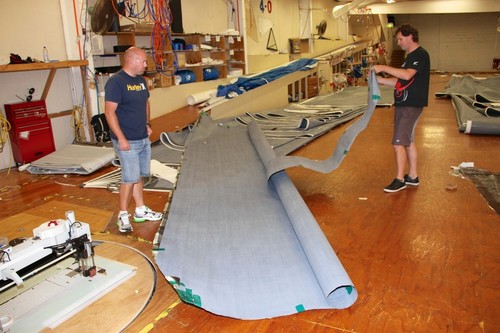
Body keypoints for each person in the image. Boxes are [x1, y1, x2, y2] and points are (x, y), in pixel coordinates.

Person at [104, 46, 163, 232]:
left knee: (138, 176)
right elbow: (109, 112)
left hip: (141, 136)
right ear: (132, 60)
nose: (146, 64)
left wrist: (147, 124)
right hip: (126, 139)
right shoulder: (116, 82)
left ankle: (140, 210)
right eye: (144, 61)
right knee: (129, 178)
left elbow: (145, 102)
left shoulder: (141, 81)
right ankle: (123, 215)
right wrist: (121, 138)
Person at [373, 24, 430, 193]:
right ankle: (412, 176)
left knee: (398, 143)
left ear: (410, 36)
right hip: (405, 105)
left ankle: (400, 180)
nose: (398, 43)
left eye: (400, 39)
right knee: (408, 142)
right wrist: (379, 80)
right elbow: (400, 82)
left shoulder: (420, 54)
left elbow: (406, 75)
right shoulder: (410, 57)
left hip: (409, 107)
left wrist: (383, 67)